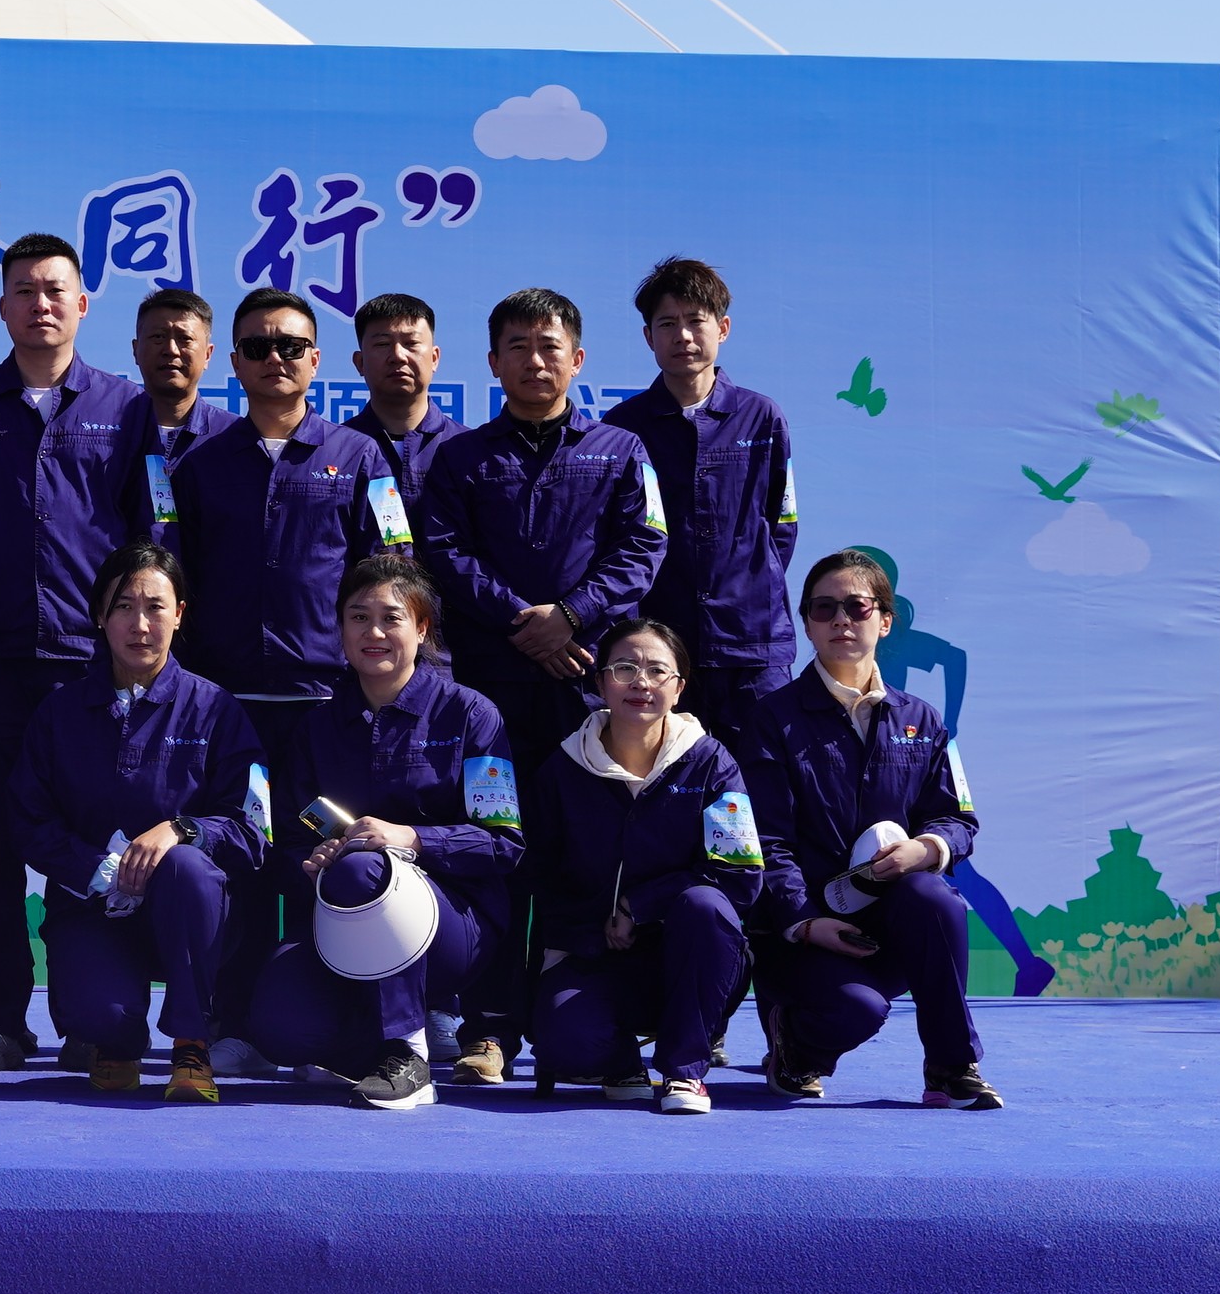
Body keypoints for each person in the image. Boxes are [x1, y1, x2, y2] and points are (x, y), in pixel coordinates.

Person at [0, 232, 154, 1074]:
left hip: (91, 667)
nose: (41, 304)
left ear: (81, 304)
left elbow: (150, 533)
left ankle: (90, 1013)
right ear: (3, 308)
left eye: (55, 290)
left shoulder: (128, 407)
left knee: (83, 835)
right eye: (24, 290)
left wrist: (137, 647)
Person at [414, 287, 665, 1080]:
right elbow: (443, 554)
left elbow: (644, 548)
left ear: (578, 359)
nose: (534, 360)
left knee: (580, 856)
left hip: (584, 692)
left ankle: (590, 1016)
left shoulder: (621, 450)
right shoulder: (459, 458)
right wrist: (525, 622)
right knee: (495, 853)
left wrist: (574, 617)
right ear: (493, 363)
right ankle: (488, 1028)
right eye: (517, 346)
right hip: (487, 698)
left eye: (549, 345)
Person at [240, 557, 522, 1109]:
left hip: (456, 926)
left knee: (363, 867)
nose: (373, 632)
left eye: (391, 618)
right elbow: (294, 832)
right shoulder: (315, 729)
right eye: (358, 617)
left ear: (422, 629)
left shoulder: (471, 715)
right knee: (280, 1030)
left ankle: (407, 1053)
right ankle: (371, 1047)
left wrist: (411, 839)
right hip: (341, 921)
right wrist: (312, 859)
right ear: (340, 629)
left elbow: (503, 844)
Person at [6, 543, 266, 1102]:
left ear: (180, 614)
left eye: (155, 607)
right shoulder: (59, 712)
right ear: (100, 616)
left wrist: (183, 831)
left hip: (189, 910)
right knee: (100, 1018)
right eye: (123, 606)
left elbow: (253, 830)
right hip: (93, 907)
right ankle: (117, 1041)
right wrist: (100, 870)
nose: (140, 624)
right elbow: (27, 820)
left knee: (188, 869)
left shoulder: (218, 709)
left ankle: (192, 1042)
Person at [743, 549, 999, 1107]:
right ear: (807, 623)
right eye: (824, 608)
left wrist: (926, 848)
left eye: (856, 607)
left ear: (884, 620)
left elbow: (958, 819)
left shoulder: (922, 719)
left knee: (935, 896)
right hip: (805, 928)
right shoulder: (771, 720)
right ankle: (794, 1044)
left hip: (890, 921)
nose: (840, 620)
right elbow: (765, 841)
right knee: (856, 1010)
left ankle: (951, 1066)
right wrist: (805, 921)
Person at [523, 614, 761, 1114]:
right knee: (566, 1043)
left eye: (657, 671)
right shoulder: (561, 769)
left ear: (679, 688)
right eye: (625, 668)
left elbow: (740, 875)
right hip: (592, 952)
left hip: (689, 956)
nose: (641, 683)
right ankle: (621, 1062)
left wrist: (639, 906)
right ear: (600, 682)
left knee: (707, 906)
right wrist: (598, 924)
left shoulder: (711, 762)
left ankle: (684, 1071)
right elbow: (539, 876)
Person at [168, 289, 398, 779]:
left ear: (315, 359)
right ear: (235, 363)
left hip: (330, 694)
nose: (275, 358)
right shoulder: (198, 465)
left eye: (291, 347)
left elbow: (393, 562)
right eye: (257, 348)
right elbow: (175, 573)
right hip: (222, 693)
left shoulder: (362, 457)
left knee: (322, 823)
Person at [602, 258, 800, 746]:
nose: (683, 336)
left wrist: (748, 585)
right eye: (668, 324)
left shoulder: (761, 416)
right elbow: (615, 534)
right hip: (661, 646)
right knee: (665, 770)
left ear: (723, 328)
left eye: (696, 321)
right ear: (648, 337)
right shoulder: (623, 427)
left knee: (763, 773)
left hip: (750, 642)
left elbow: (782, 523)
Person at [340, 292, 464, 527]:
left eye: (411, 343)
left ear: (435, 358)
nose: (398, 356)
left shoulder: (467, 448)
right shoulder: (337, 451)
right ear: (360, 362)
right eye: (382, 344)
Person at [120, 287, 234, 508]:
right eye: (158, 337)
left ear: (208, 354)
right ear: (135, 349)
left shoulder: (234, 438)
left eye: (185, 339)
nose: (171, 350)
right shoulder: (110, 432)